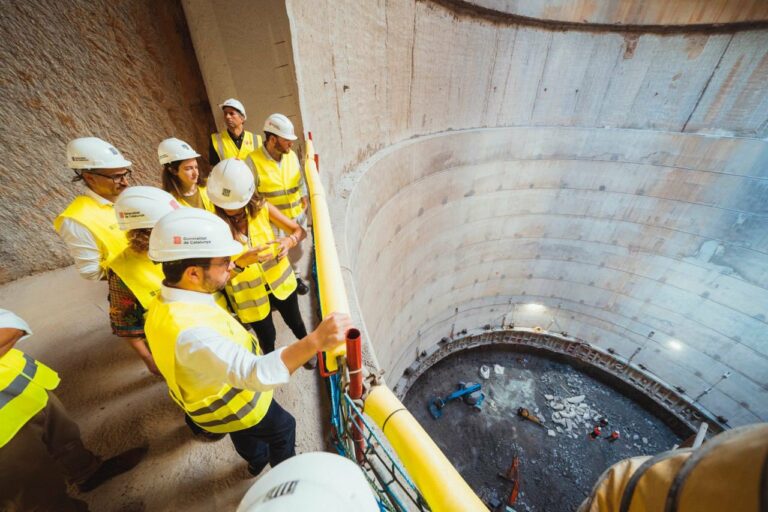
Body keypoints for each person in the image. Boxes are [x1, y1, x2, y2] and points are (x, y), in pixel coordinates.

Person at [143, 207, 351, 476]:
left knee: (241, 431)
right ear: (193, 273)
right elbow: (254, 372)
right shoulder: (191, 333)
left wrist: (241, 262)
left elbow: (213, 289)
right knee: (283, 427)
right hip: (236, 403)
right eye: (225, 261)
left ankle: (256, 460)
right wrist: (315, 341)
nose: (232, 264)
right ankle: (285, 480)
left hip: (215, 405)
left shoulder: (165, 303)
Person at [0, 309, 147, 511]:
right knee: (36, 490)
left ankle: (87, 472)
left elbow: (11, 325)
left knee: (65, 438)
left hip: (24, 386)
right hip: (4, 429)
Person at [206, 159, 315, 369]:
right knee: (267, 337)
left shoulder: (262, 208)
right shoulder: (213, 227)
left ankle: (307, 350)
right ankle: (271, 367)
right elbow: (215, 280)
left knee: (296, 322)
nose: (233, 213)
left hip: (281, 284)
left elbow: (299, 231)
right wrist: (239, 264)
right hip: (250, 298)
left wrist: (288, 241)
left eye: (238, 208)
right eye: (228, 208)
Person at [109, 186, 181, 374]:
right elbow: (125, 322)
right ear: (147, 231)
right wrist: (149, 359)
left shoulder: (181, 243)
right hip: (171, 344)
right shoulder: (122, 271)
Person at [245, 113, 310, 295]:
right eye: (286, 140)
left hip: (297, 215)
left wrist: (304, 196)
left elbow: (299, 180)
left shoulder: (290, 155)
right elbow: (251, 195)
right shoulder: (252, 161)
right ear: (272, 139)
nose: (291, 143)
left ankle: (295, 276)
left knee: (296, 251)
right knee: (277, 254)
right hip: (273, 221)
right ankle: (279, 284)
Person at [54, 137, 132, 281]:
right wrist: (135, 269)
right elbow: (91, 272)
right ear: (90, 178)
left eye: (125, 174)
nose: (125, 182)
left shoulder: (131, 199)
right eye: (116, 177)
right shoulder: (76, 219)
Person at [158, 137, 215, 212]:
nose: (196, 173)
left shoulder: (211, 185)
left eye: (196, 167)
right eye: (189, 169)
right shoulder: (170, 202)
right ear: (173, 171)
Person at [209, 98, 261, 166]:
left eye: (231, 113)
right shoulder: (215, 140)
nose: (227, 117)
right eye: (225, 113)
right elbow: (215, 168)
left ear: (242, 118)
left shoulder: (256, 140)